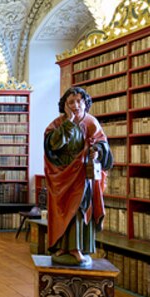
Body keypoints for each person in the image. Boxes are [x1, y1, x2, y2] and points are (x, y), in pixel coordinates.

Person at [44, 87, 113, 265]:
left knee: (78, 209)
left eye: (79, 101)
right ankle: (62, 245)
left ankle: (76, 248)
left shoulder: (91, 122)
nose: (75, 105)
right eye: (71, 102)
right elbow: (52, 145)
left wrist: (96, 151)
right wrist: (69, 122)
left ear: (85, 103)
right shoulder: (58, 124)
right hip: (62, 175)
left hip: (82, 176)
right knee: (62, 210)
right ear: (65, 105)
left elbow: (102, 144)